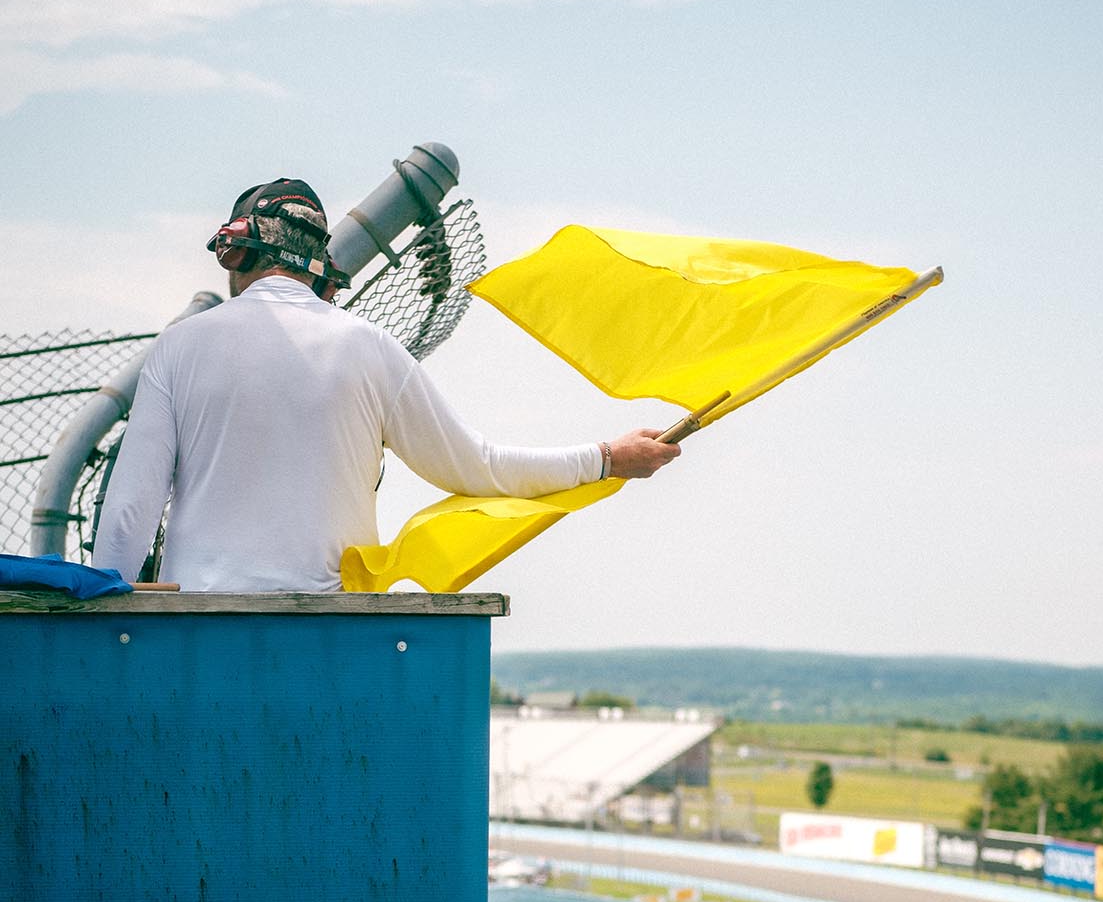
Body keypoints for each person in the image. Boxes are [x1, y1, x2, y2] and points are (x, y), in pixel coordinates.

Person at [92, 178, 680, 592]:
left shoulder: (181, 347)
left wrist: (106, 627)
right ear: (319, 264)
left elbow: (127, 515)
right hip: (332, 632)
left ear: (234, 250)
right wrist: (607, 458)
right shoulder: (369, 348)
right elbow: (477, 467)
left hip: (202, 630)